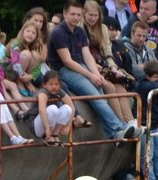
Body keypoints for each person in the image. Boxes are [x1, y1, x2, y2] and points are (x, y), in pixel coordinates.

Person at [48, 0, 138, 141]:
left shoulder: (80, 31)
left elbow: (87, 55)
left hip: (79, 66)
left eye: (78, 15)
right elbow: (67, 61)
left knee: (100, 91)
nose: (76, 17)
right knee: (96, 97)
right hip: (63, 70)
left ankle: (115, 134)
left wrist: (97, 75)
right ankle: (118, 127)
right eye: (73, 14)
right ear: (65, 14)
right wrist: (90, 75)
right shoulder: (58, 32)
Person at [34, 70, 76, 144]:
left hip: (51, 125)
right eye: (51, 84)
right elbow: (41, 110)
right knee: (53, 108)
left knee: (67, 108)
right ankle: (47, 136)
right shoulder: (43, 92)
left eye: (56, 84)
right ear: (44, 85)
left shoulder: (59, 91)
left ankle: (55, 134)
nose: (54, 87)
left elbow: (72, 107)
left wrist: (68, 126)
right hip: (38, 125)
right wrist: (47, 128)